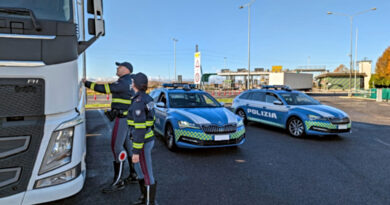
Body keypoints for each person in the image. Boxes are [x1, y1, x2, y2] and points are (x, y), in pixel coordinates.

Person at [83, 62, 138, 193]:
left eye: (119, 67)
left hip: (122, 119)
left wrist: (86, 83)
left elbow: (104, 89)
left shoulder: (123, 82)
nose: (117, 68)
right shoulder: (131, 81)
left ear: (126, 69)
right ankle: (134, 174)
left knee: (116, 147)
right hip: (128, 119)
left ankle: (118, 182)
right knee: (129, 147)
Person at [127, 72, 157, 205]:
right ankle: (144, 198)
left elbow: (140, 128)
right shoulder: (147, 98)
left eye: (132, 81)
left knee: (146, 173)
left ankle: (149, 202)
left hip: (142, 141)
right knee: (141, 171)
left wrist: (135, 151)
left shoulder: (139, 101)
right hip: (146, 139)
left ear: (135, 84)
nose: (130, 83)